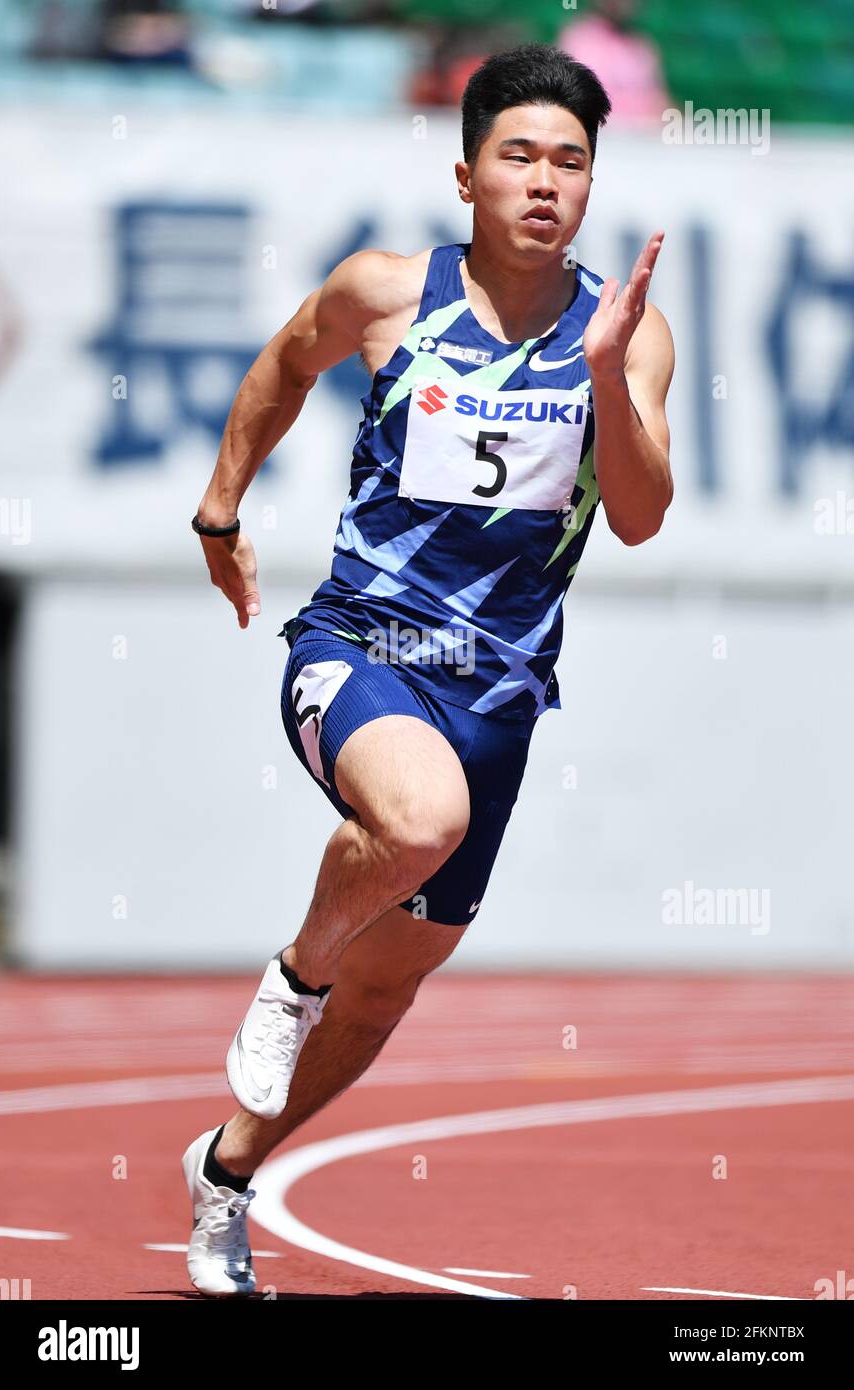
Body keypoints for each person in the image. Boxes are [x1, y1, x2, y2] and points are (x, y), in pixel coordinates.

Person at [184, 41, 674, 1297]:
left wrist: (608, 375)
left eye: (569, 161)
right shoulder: (387, 291)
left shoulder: (627, 333)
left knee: (390, 992)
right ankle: (294, 971)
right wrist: (221, 509)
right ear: (466, 176)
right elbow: (289, 359)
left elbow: (638, 515)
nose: (544, 182)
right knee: (417, 820)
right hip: (360, 643)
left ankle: (226, 1174)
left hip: (501, 691)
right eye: (517, 156)